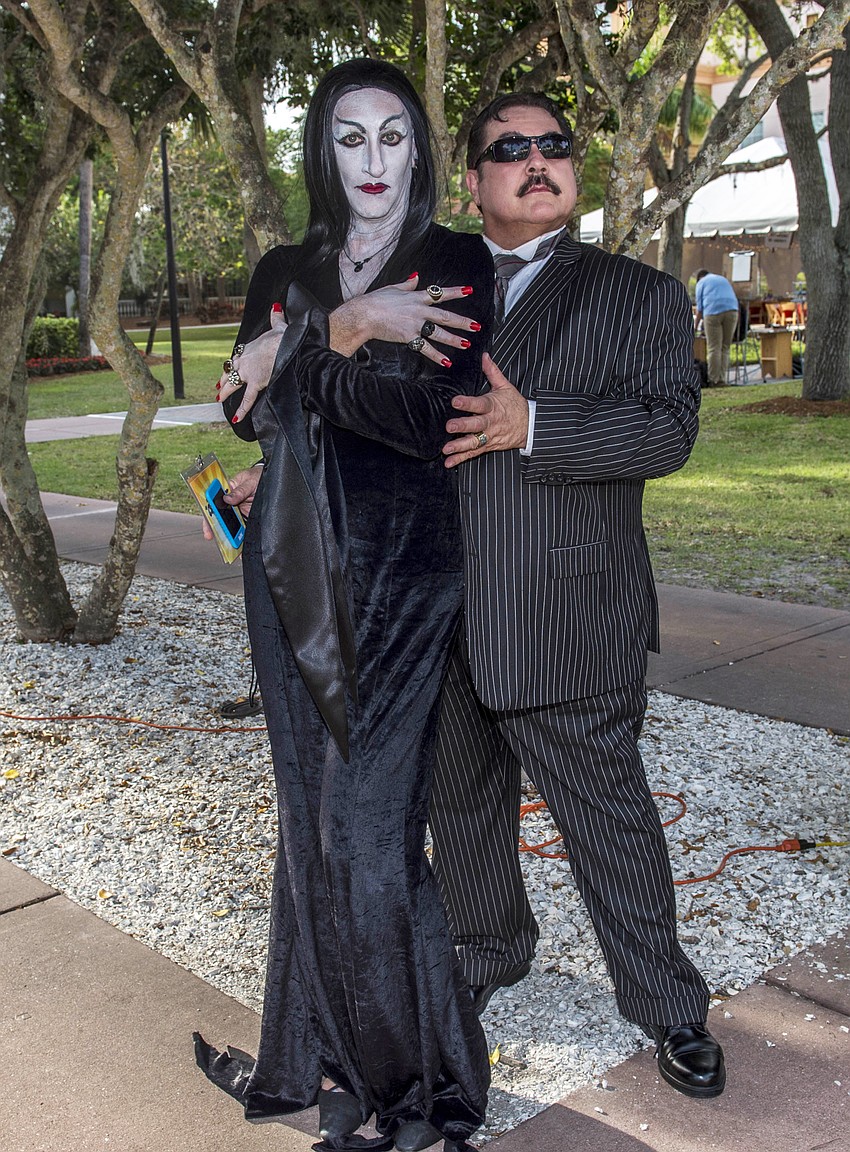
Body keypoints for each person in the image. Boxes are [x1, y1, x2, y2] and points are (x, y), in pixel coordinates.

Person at [195, 59, 495, 1152]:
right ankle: (320, 1057)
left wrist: (299, 346)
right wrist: (351, 324)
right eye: (349, 139)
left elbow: (427, 422)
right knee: (305, 827)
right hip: (284, 570)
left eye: (393, 137)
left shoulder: (453, 260)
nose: (373, 162)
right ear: (323, 151)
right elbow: (239, 409)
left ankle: (426, 1092)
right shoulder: (286, 265)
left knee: (367, 837)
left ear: (418, 149)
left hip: (402, 576)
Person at [424, 93, 726, 1100]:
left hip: (565, 614)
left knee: (608, 819)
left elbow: (665, 432)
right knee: (461, 809)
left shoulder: (637, 294)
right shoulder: (425, 288)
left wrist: (533, 426)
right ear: (473, 179)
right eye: (508, 149)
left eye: (553, 145)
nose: (536, 160)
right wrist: (280, 479)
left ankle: (668, 1004)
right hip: (434, 617)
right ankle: (484, 956)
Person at [694, 268, 740, 386]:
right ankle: (722, 379)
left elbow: (699, 308)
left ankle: (713, 379)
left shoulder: (701, 283)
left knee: (714, 347)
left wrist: (694, 327)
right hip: (732, 311)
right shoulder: (722, 279)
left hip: (712, 312)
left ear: (699, 277)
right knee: (725, 347)